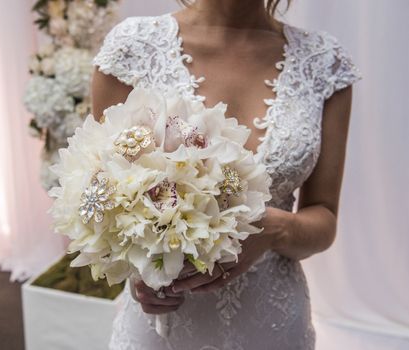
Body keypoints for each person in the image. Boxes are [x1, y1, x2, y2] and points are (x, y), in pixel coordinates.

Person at [91, 0, 361, 348]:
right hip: (162, 325)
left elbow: (324, 218)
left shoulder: (324, 62)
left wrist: (273, 228)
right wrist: (137, 269)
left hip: (271, 322)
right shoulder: (132, 48)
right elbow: (101, 195)